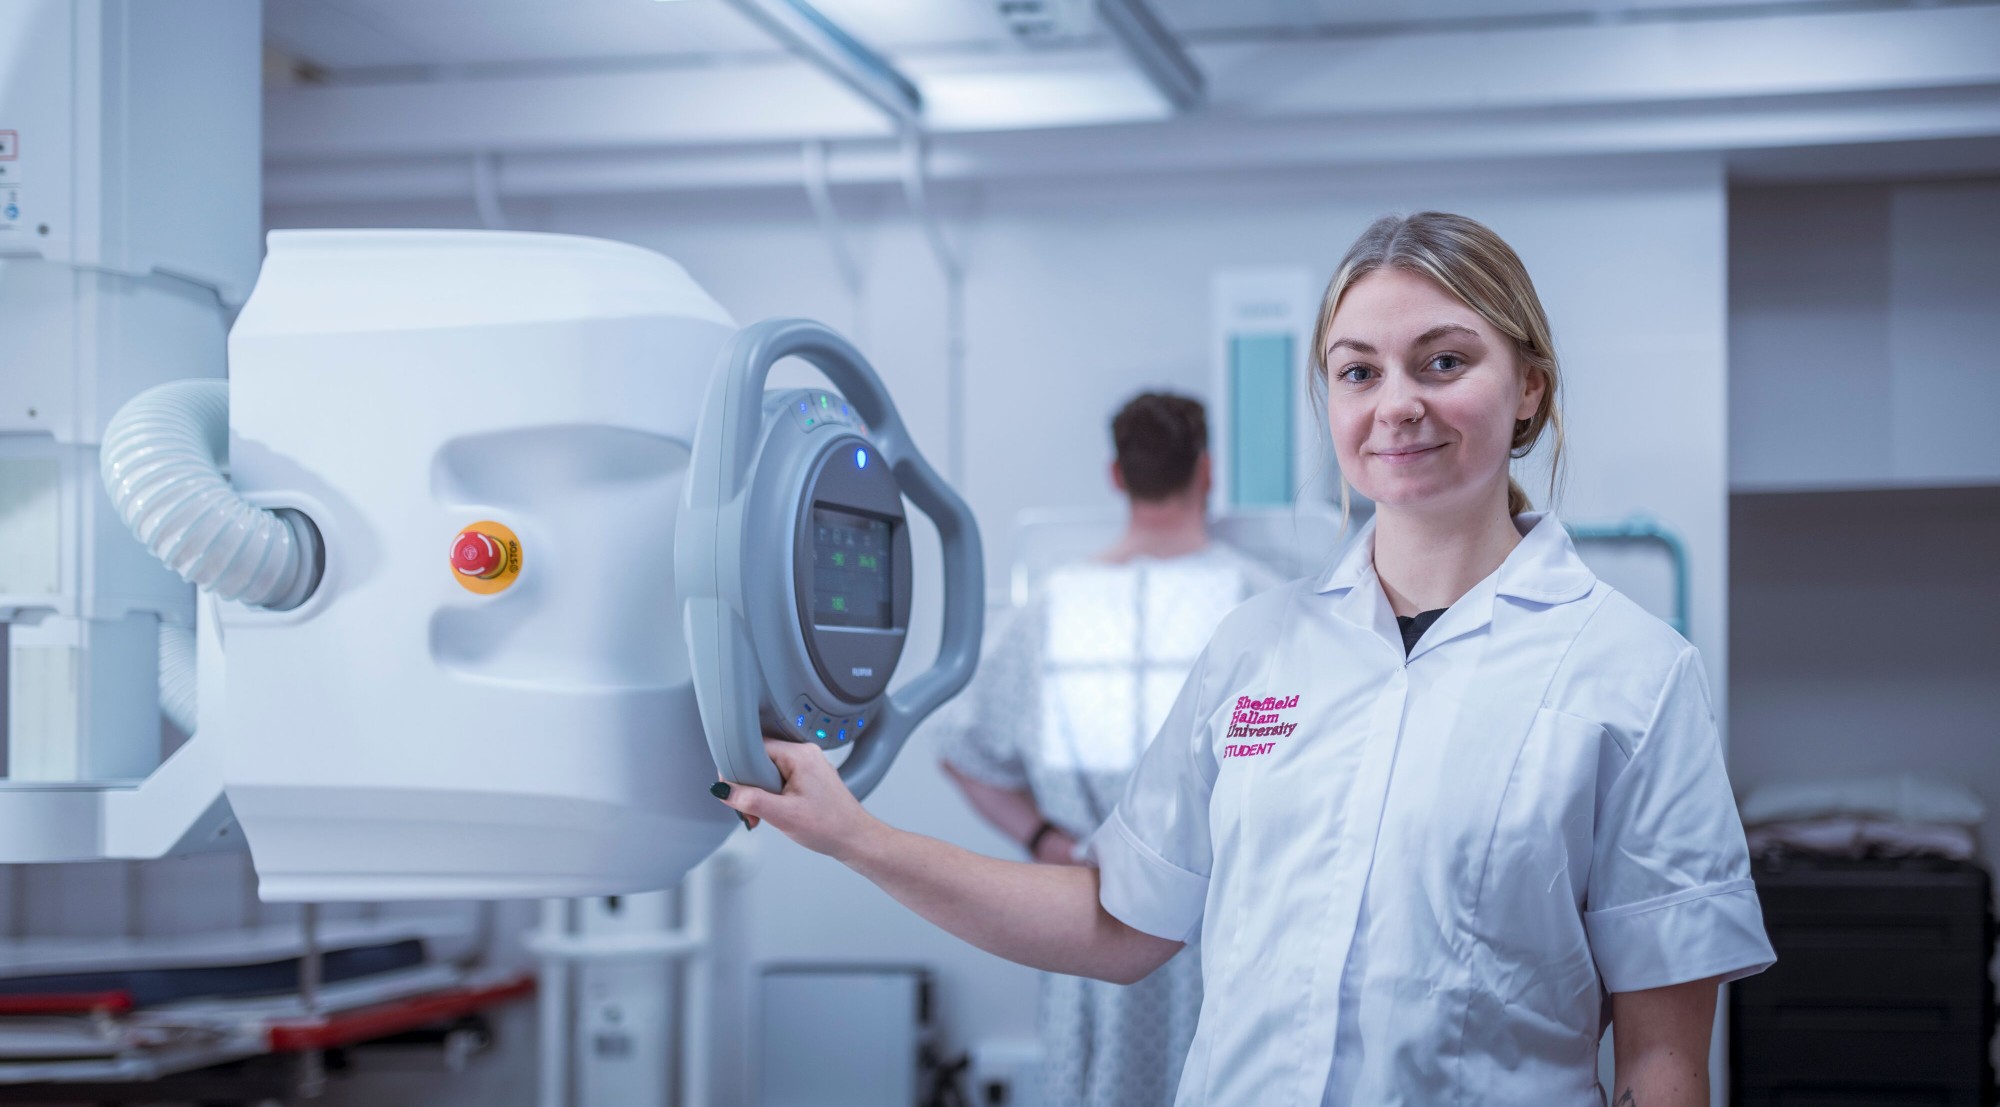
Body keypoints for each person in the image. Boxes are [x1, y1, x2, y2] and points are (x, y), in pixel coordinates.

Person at [712, 211, 1775, 1105]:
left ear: (1529, 386)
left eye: (1442, 361)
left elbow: (1662, 1051)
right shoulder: (1255, 647)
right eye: (1356, 370)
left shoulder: (1631, 677)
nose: (1394, 402)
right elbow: (1117, 921)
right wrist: (853, 837)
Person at [932, 391, 1281, 1107]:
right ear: (1207, 471)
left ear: (1117, 476)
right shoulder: (1260, 608)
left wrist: (1045, 837)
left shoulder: (1054, 610)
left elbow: (959, 748)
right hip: (1223, 932)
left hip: (1092, 919)